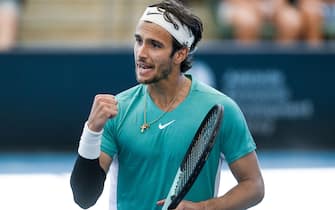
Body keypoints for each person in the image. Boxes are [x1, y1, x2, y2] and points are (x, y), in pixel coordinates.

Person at [70, 0, 264, 210]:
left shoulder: (221, 108)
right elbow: (84, 198)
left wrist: (204, 208)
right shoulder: (117, 110)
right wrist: (91, 132)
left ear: (180, 54)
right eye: (139, 41)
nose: (141, 53)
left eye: (155, 45)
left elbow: (253, 185)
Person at [216, 0, 323, 45]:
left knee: (291, 22)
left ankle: (283, 66)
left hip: (270, 7)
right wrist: (255, 7)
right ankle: (249, 66)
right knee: (248, 22)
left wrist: (276, 5)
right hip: (238, 5)